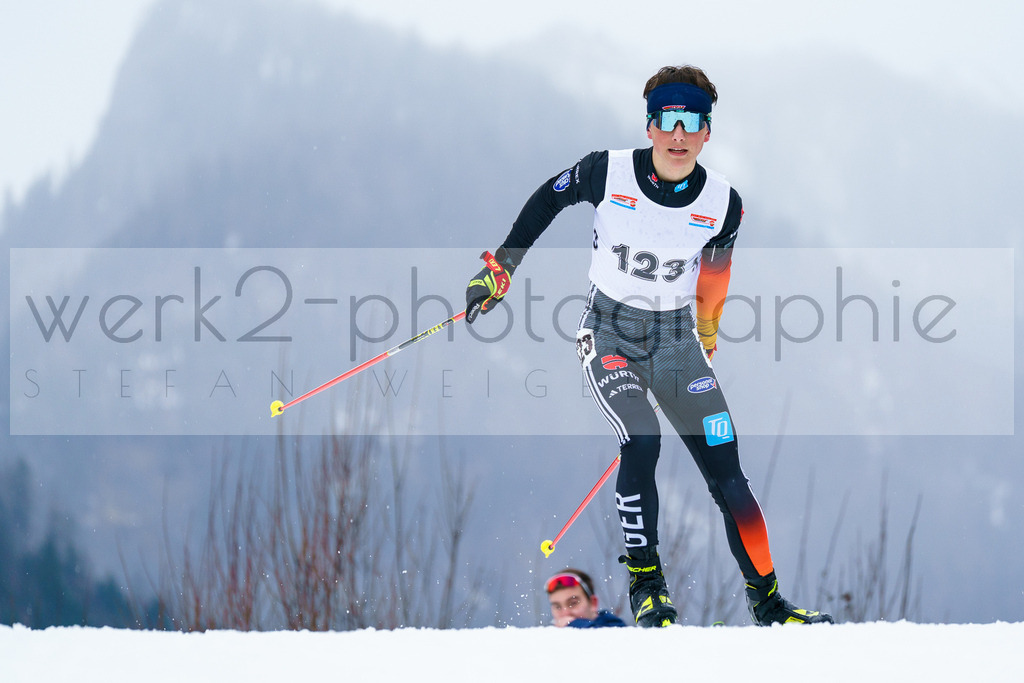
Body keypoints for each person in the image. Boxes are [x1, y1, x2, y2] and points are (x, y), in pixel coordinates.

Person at [466, 65, 833, 628]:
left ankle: (769, 602)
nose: (679, 135)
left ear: (708, 131)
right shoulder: (606, 172)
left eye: (693, 122)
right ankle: (647, 587)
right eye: (669, 120)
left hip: (678, 341)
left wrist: (707, 332)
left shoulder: (723, 203)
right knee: (642, 438)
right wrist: (502, 267)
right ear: (650, 126)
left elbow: (715, 272)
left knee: (728, 471)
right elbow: (546, 200)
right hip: (607, 331)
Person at [545, 568, 627, 628]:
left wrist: (575, 624)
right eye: (557, 607)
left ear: (593, 603)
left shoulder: (615, 628)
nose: (566, 613)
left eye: (573, 603)